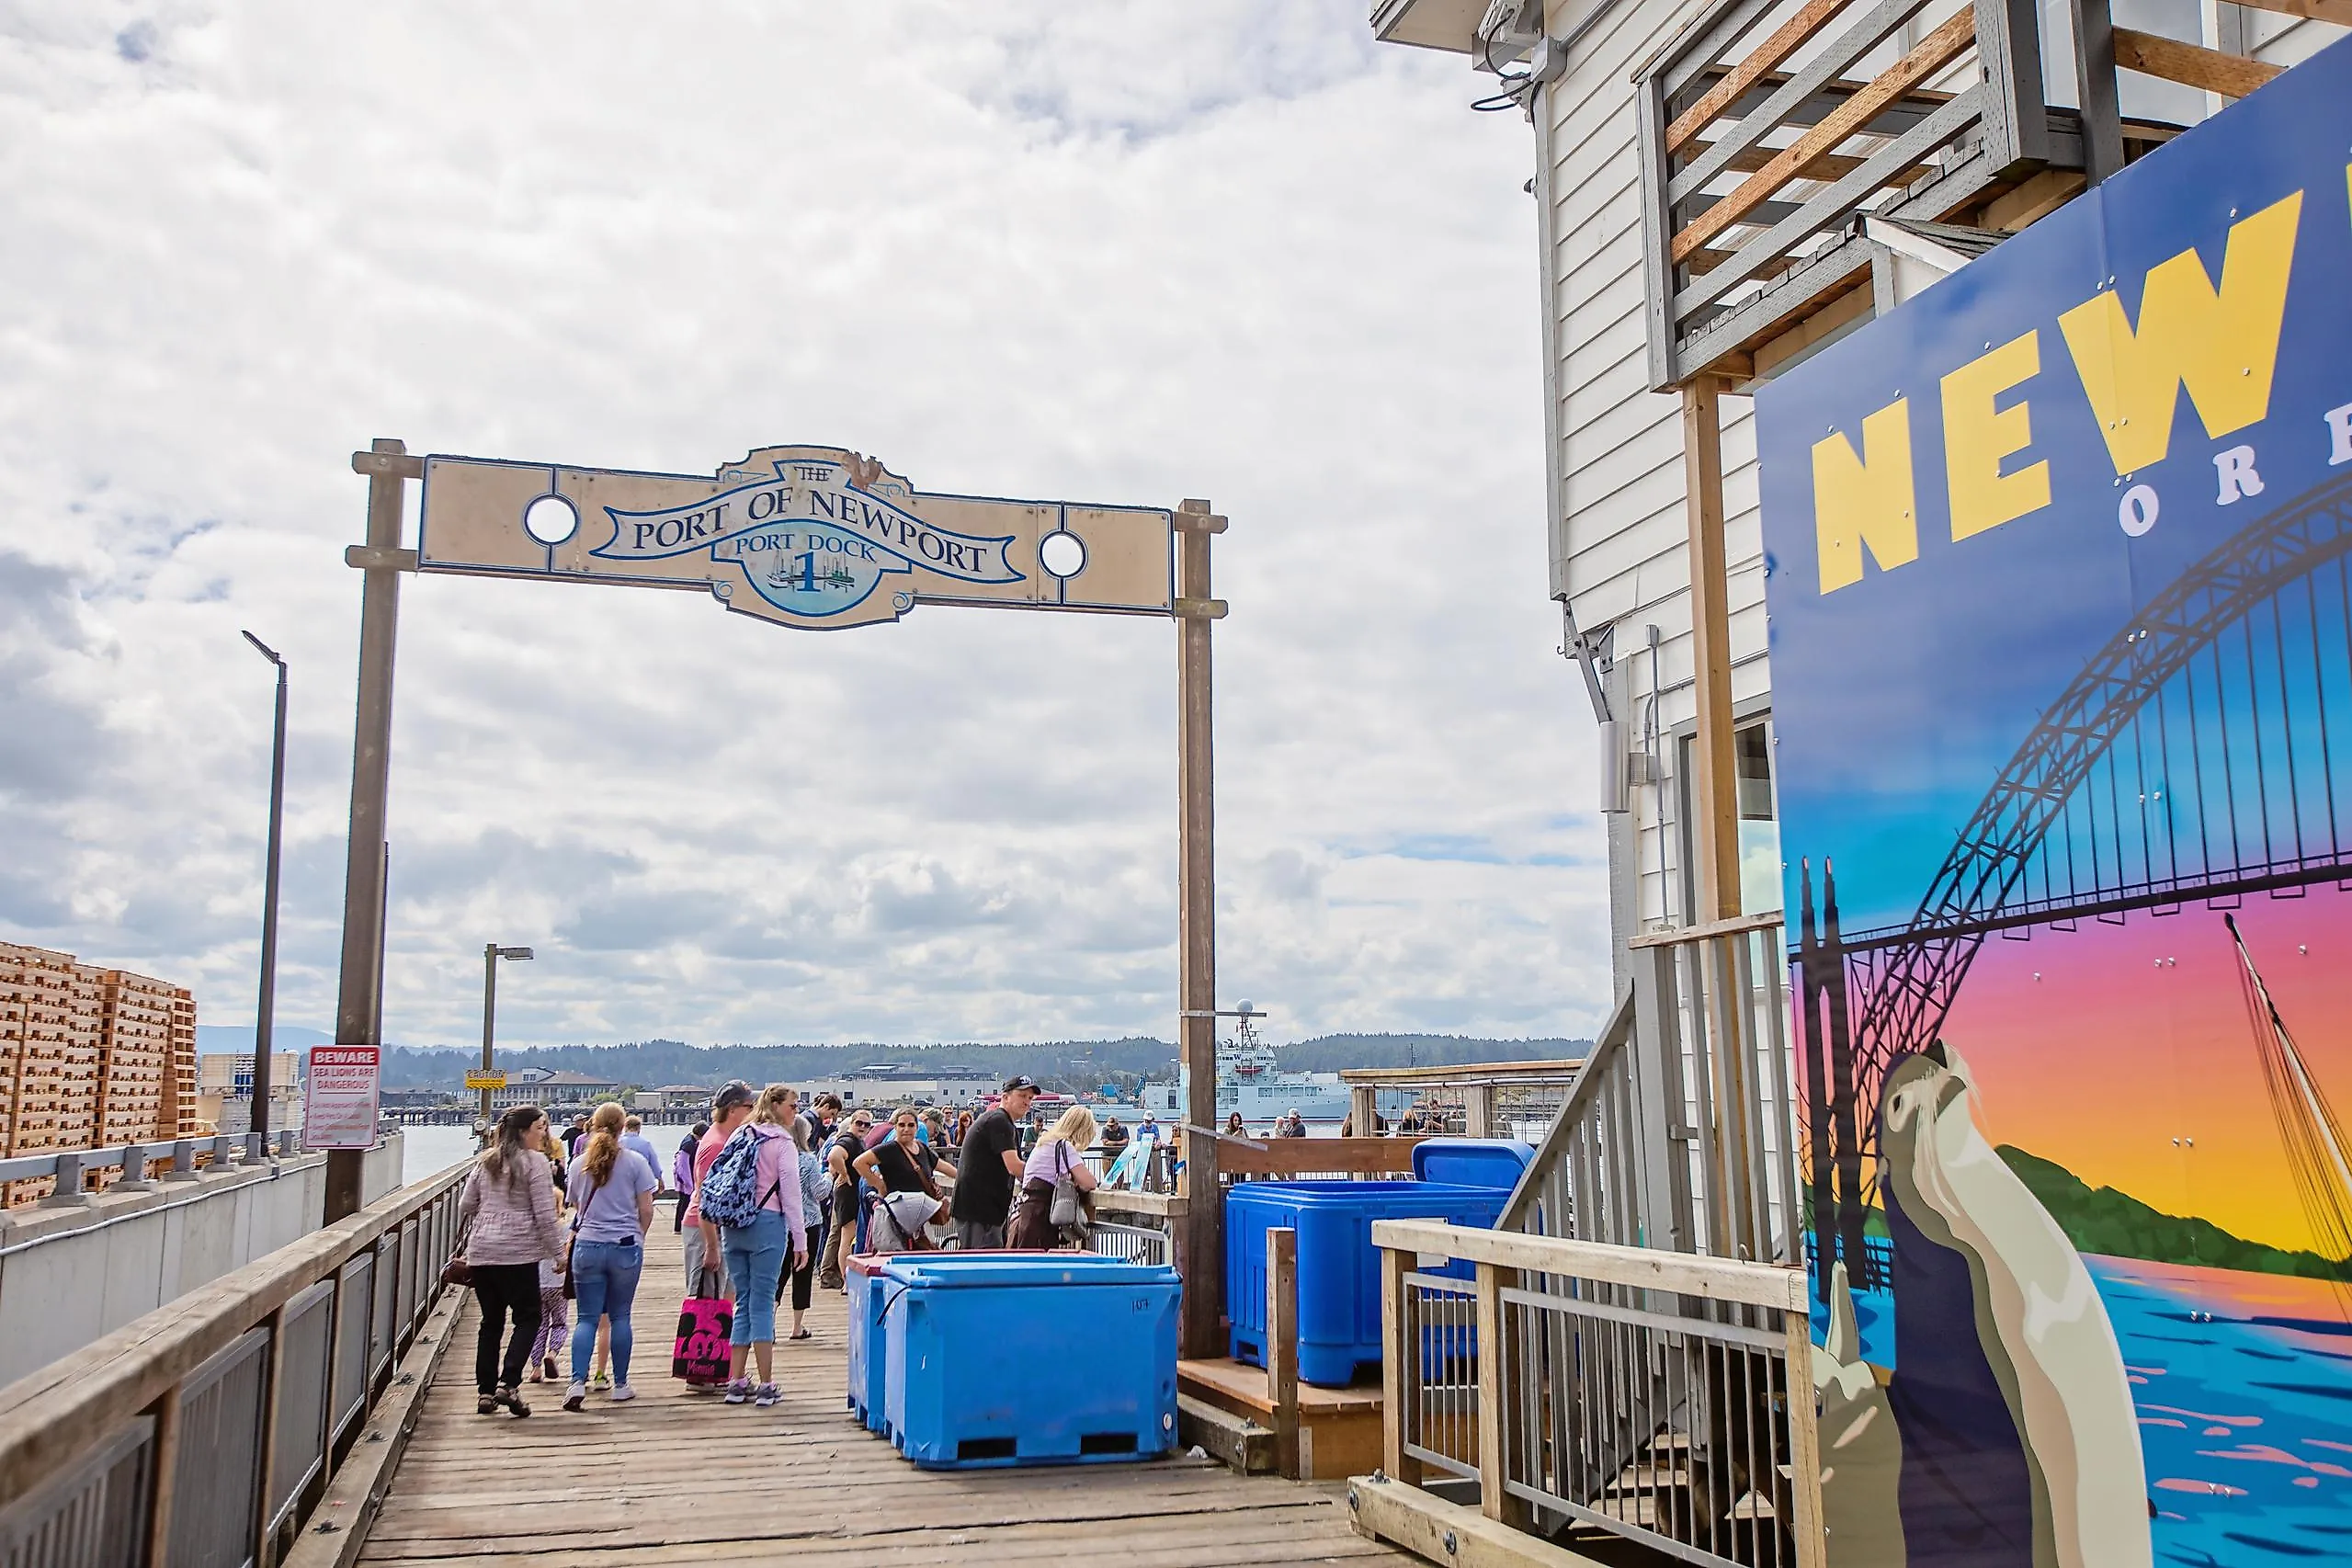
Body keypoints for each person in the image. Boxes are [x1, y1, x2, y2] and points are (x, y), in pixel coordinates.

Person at [458, 1105, 563, 1416]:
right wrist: (559, 1254)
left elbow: (466, 1204)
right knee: (528, 1318)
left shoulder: (486, 1161)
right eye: (539, 1128)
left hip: (482, 1253)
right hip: (518, 1254)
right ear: (523, 1131)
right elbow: (546, 1216)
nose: (543, 1134)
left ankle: (486, 1393)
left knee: (490, 1322)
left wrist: (492, 1211)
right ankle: (510, 1383)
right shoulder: (536, 1163)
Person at [713, 1085, 808, 1406]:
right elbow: (792, 1197)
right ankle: (766, 1384)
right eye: (793, 1106)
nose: (796, 1110)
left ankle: (736, 1380)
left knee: (743, 1301)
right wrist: (801, 1240)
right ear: (777, 1106)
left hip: (734, 1225)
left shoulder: (741, 1134)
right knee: (763, 1302)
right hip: (767, 1224)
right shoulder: (782, 1143)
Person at [562, 1101, 657, 1410]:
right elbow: (646, 1209)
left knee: (587, 1319)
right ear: (622, 1127)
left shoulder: (578, 1165)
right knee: (620, 1316)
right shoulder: (635, 1162)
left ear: (592, 1125)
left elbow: (575, 1206)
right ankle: (620, 1383)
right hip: (624, 1245)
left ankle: (577, 1382)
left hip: (588, 1245)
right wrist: (639, 1237)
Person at [949, 1076, 1034, 1251]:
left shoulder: (1002, 1121)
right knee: (982, 1267)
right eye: (1022, 1095)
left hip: (988, 1210)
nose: (1027, 1102)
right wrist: (1046, 1177)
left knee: (989, 1262)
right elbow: (1015, 1166)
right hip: (980, 1210)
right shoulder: (999, 1121)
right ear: (1005, 1097)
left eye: (1030, 1098)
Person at [686, 1085, 756, 1299]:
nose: (753, 1112)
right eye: (749, 1107)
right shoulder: (717, 1144)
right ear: (732, 1109)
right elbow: (707, 1197)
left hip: (719, 1229)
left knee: (725, 1299)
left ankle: (725, 1333)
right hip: (706, 1230)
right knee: (708, 1302)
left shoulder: (728, 1138)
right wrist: (712, 1247)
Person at [854, 1106, 948, 1254]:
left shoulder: (921, 1148)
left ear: (917, 1128)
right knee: (893, 1250)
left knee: (925, 1249)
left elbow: (942, 1166)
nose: (906, 1129)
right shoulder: (889, 1149)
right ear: (895, 1127)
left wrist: (963, 1175)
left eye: (911, 1125)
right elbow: (859, 1163)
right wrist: (878, 1184)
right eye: (902, 1125)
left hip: (918, 1214)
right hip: (895, 1214)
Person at [1007, 1106, 1099, 1251]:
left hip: (1025, 1212)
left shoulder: (1044, 1143)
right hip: (1040, 1216)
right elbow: (1089, 1182)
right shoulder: (1064, 1146)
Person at [782, 1118, 830, 1341]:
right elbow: (819, 1192)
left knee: (778, 1274)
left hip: (781, 1223)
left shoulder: (777, 1158)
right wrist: (830, 1177)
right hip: (808, 1222)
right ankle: (797, 1326)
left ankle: (769, 1324)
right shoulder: (808, 1161)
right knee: (802, 1274)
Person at [818, 1108, 873, 1290]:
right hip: (848, 1192)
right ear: (851, 1123)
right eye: (859, 1123)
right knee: (847, 1237)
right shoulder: (849, 1140)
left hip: (847, 1191)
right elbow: (833, 1155)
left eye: (867, 1125)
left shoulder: (857, 1141)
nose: (863, 1127)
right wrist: (845, 1174)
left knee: (841, 1234)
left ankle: (837, 1275)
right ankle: (846, 1281)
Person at [671, 1120, 707, 1233]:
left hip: (685, 1178)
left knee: (682, 1202)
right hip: (685, 1179)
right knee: (684, 1202)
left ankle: (679, 1227)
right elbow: (683, 1165)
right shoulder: (688, 1144)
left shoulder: (690, 1140)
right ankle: (679, 1227)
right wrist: (689, 1183)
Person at [620, 1115, 665, 1187]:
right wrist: (660, 1179)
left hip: (622, 1182)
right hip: (641, 1182)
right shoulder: (645, 1144)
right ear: (639, 1128)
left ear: (625, 1127)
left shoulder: (618, 1142)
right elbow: (654, 1164)